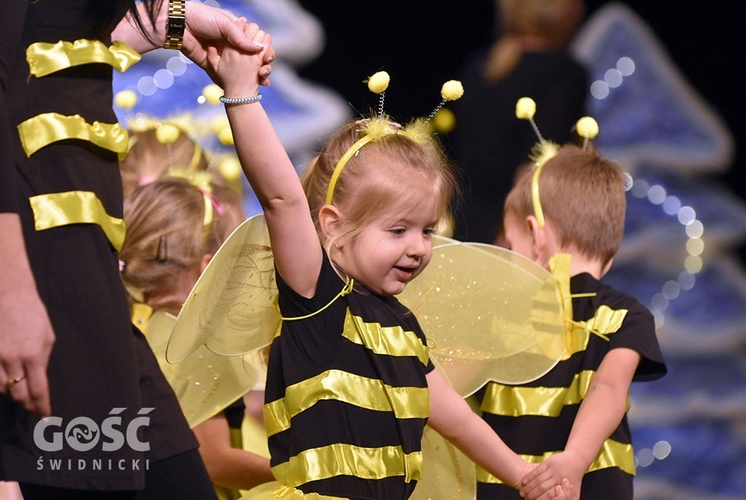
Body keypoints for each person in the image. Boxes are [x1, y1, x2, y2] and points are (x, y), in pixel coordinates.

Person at [206, 22, 574, 500]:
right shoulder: (316, 302)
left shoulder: (403, 329)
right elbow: (281, 198)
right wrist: (241, 93)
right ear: (334, 225)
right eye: (397, 230)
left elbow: (457, 420)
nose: (419, 246)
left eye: (426, 229)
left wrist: (524, 476)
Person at [0, 0, 273, 497]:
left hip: (81, 275)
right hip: (29, 264)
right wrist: (8, 290)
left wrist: (171, 22)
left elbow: (43, 39)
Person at [483, 142, 667, 499]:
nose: (507, 258)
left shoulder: (501, 316)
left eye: (510, 246)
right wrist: (575, 462)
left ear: (536, 235)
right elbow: (608, 388)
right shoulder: (627, 317)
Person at [120, 173, 274, 498]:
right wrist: (308, 476)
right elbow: (213, 460)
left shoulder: (131, 328)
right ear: (209, 267)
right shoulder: (192, 344)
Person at [449, 0, 589, 245]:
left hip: (462, 222)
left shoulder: (480, 66)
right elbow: (535, 165)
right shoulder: (563, 74)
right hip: (510, 230)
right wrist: (516, 237)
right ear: (565, 14)